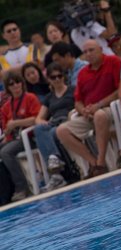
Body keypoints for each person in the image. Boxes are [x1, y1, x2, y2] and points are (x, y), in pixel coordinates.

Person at [56, 40, 121, 178]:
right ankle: (94, 163)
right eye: (85, 52)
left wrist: (99, 105)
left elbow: (120, 90)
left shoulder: (113, 61)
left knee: (99, 115)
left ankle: (101, 161)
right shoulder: (82, 73)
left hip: (111, 108)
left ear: (100, 49)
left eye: (91, 50)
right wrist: (83, 111)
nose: (88, 54)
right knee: (61, 131)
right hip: (89, 114)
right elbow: (77, 101)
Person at [33, 63, 75, 191]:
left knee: (51, 133)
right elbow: (39, 118)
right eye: (53, 77)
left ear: (64, 76)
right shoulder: (49, 97)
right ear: (49, 79)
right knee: (39, 129)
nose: (57, 79)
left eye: (59, 76)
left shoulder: (72, 90)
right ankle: (55, 162)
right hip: (54, 122)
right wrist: (41, 121)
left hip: (68, 119)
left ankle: (56, 173)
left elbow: (79, 105)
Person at [0, 72, 41, 201]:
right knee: (4, 150)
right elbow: (6, 129)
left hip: (30, 137)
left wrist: (16, 123)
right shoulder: (6, 107)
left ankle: (22, 187)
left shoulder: (30, 97)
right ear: (8, 88)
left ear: (22, 83)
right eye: (11, 84)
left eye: (18, 82)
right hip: (14, 139)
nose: (16, 85)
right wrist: (7, 131)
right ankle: (6, 190)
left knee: (6, 152)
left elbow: (36, 119)